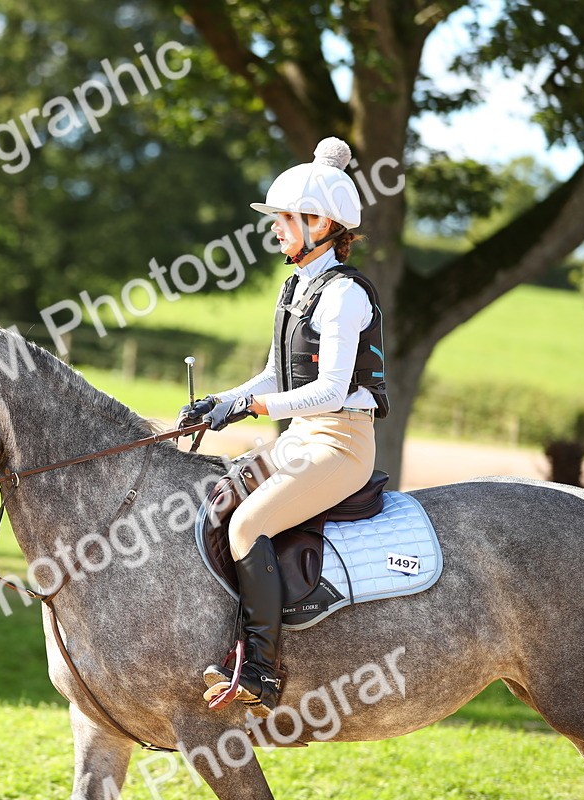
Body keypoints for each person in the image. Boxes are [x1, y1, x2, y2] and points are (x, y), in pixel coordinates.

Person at [177, 137, 390, 717]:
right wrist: (222, 401)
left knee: (249, 525)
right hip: (299, 439)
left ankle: (262, 672)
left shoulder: (344, 295)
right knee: (214, 503)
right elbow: (277, 373)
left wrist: (251, 409)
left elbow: (330, 391)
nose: (275, 228)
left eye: (285, 219)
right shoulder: (297, 286)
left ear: (321, 223)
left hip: (341, 445)